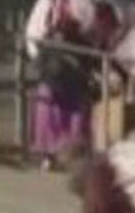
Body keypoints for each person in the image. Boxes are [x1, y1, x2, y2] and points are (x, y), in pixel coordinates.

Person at [32, 21, 96, 169]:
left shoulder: (79, 44)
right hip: (57, 86)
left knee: (69, 122)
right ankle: (51, 155)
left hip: (68, 88)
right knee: (53, 120)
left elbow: (89, 64)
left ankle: (59, 155)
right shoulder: (52, 44)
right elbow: (39, 64)